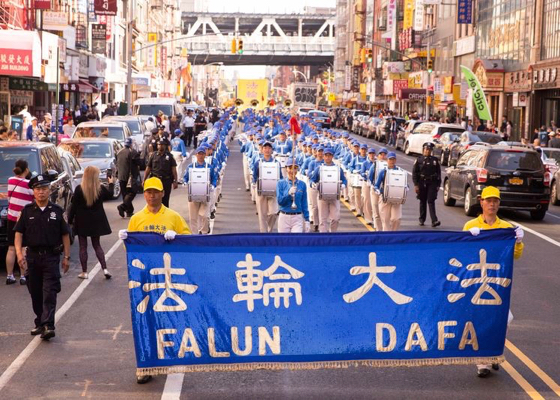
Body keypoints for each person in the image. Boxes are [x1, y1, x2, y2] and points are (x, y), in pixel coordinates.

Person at [118, 177, 191, 384]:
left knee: (168, 321)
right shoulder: (137, 218)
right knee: (145, 321)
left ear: (162, 194)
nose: (151, 195)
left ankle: (168, 357)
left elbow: (189, 241)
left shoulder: (174, 217)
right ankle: (145, 365)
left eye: (155, 192)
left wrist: (176, 236)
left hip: (167, 279)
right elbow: (131, 252)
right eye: (148, 192)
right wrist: (126, 239)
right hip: (145, 280)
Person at [463, 186, 524, 378]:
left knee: (504, 319)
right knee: (481, 319)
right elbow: (462, 256)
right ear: (481, 202)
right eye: (488, 200)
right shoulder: (471, 225)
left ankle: (494, 352)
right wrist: (467, 239)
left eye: (495, 201)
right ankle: (483, 363)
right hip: (477, 281)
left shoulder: (505, 228)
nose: (492, 204)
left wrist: (519, 241)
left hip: (498, 282)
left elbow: (516, 255)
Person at [14, 173, 71, 340]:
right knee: (35, 292)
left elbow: (65, 235)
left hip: (51, 257)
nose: (41, 192)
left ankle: (48, 325)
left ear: (49, 190)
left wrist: (66, 257)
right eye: (38, 189)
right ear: (33, 191)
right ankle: (40, 321)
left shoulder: (57, 211)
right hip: (31, 257)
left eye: (44, 188)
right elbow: (18, 233)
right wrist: (18, 254)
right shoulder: (26, 211)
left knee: (49, 292)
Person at [68, 166, 114, 279]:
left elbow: (73, 207)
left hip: (82, 220)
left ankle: (84, 272)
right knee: (97, 245)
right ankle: (105, 269)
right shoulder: (100, 188)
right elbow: (110, 195)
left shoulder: (79, 189)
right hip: (96, 221)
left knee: (83, 246)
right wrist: (111, 183)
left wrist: (69, 220)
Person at [5, 160, 34, 285]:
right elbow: (35, 198)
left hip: (11, 218)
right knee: (24, 249)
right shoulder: (29, 184)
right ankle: (23, 276)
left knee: (11, 248)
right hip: (24, 220)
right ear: (26, 170)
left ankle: (10, 276)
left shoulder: (10, 180)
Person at [310, 147, 347, 233]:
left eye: (329, 155)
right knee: (322, 220)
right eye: (326, 155)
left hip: (335, 196)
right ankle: (323, 238)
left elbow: (344, 179)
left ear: (332, 156)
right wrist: (312, 184)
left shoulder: (338, 168)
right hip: (322, 197)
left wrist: (344, 184)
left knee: (336, 218)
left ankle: (332, 234)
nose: (327, 157)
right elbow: (312, 179)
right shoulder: (319, 168)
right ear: (323, 157)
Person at [184, 147, 217, 234]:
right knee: (193, 217)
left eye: (202, 154)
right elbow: (185, 177)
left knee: (205, 216)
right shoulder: (190, 166)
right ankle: (194, 235)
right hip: (193, 194)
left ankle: (204, 232)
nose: (201, 155)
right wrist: (185, 182)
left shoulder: (209, 167)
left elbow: (214, 178)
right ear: (196, 155)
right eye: (199, 154)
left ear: (205, 155)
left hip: (206, 195)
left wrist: (213, 185)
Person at [252, 141, 282, 233]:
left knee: (273, 213)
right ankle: (263, 233)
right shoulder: (258, 162)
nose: (267, 150)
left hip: (273, 191)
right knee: (262, 214)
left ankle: (269, 229)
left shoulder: (276, 163)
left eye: (269, 148)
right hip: (261, 190)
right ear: (262, 150)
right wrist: (254, 183)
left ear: (272, 150)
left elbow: (280, 177)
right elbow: (254, 176)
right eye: (265, 148)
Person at [276, 158, 310, 233]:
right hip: (284, 216)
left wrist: (307, 220)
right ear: (286, 169)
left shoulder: (302, 184)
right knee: (284, 242)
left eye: (295, 168)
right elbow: (280, 201)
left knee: (296, 242)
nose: (292, 171)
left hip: (297, 217)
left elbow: (304, 203)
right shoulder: (280, 183)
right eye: (290, 168)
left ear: (297, 169)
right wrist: (288, 194)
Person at [412, 142, 441, 227]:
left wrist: (438, 184)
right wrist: (416, 185)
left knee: (431, 201)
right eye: (426, 149)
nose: (427, 151)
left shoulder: (435, 160)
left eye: (429, 150)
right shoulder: (419, 159)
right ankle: (422, 219)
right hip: (422, 182)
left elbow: (438, 173)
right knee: (422, 201)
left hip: (432, 182)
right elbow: (415, 173)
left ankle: (434, 220)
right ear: (423, 150)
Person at [374, 152, 405, 231]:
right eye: (390, 159)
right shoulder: (383, 172)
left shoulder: (400, 172)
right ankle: (386, 237)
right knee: (385, 220)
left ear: (395, 160)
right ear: (387, 160)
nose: (392, 161)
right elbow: (376, 185)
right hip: (385, 198)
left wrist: (406, 188)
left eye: (393, 159)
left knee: (396, 219)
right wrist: (377, 190)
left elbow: (404, 184)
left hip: (396, 198)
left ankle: (394, 234)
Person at [144, 138, 178, 208]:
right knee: (154, 199)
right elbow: (148, 168)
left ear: (165, 146)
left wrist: (175, 181)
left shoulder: (169, 156)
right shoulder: (153, 155)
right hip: (155, 180)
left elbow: (174, 169)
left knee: (165, 199)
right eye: (159, 144)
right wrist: (144, 179)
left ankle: (165, 216)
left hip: (166, 181)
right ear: (157, 146)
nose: (161, 146)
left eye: (162, 145)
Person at [116, 138, 140, 217]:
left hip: (121, 176)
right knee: (132, 192)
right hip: (130, 177)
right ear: (131, 144)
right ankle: (122, 207)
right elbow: (138, 162)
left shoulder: (119, 152)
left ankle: (129, 211)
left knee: (125, 194)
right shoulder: (132, 152)